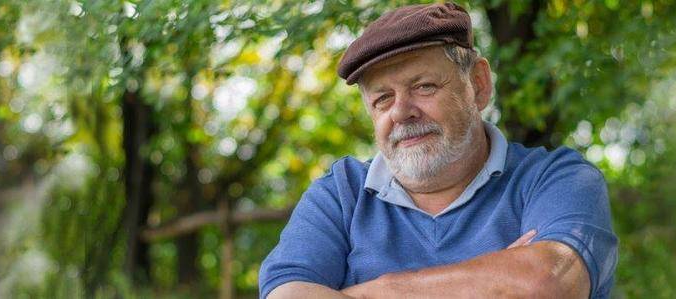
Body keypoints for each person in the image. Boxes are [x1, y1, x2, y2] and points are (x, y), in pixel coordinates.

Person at [259, 2, 617, 298]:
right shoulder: (340, 194)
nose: (401, 112)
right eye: (383, 99)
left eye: (424, 86)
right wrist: (493, 280)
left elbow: (544, 284)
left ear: (477, 84)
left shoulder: (557, 179)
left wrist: (359, 291)